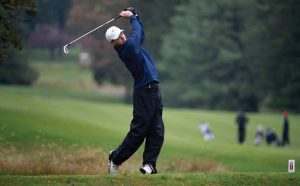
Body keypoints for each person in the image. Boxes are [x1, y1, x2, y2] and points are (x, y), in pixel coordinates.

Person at [105, 8, 164, 174]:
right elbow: (137, 32)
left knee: (157, 130)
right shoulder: (128, 48)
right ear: (113, 43)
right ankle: (115, 158)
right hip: (144, 93)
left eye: (122, 34)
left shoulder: (131, 44)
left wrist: (136, 16)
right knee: (139, 132)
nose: (122, 36)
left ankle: (149, 165)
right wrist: (132, 17)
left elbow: (141, 33)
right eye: (118, 37)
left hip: (153, 91)